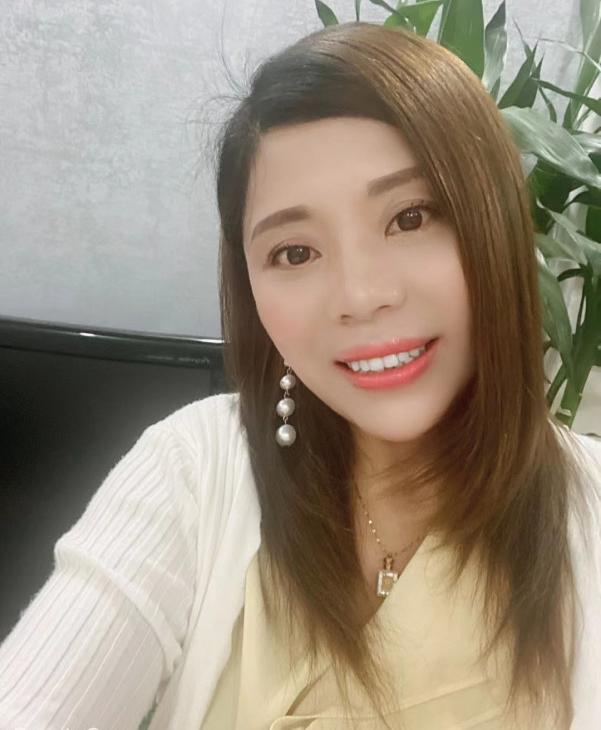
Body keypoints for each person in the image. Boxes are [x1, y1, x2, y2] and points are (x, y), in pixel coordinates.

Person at [1, 20, 600, 730]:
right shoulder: (195, 469)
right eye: (294, 253)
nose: (361, 296)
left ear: (494, 225)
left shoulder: (586, 512)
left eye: (410, 217)